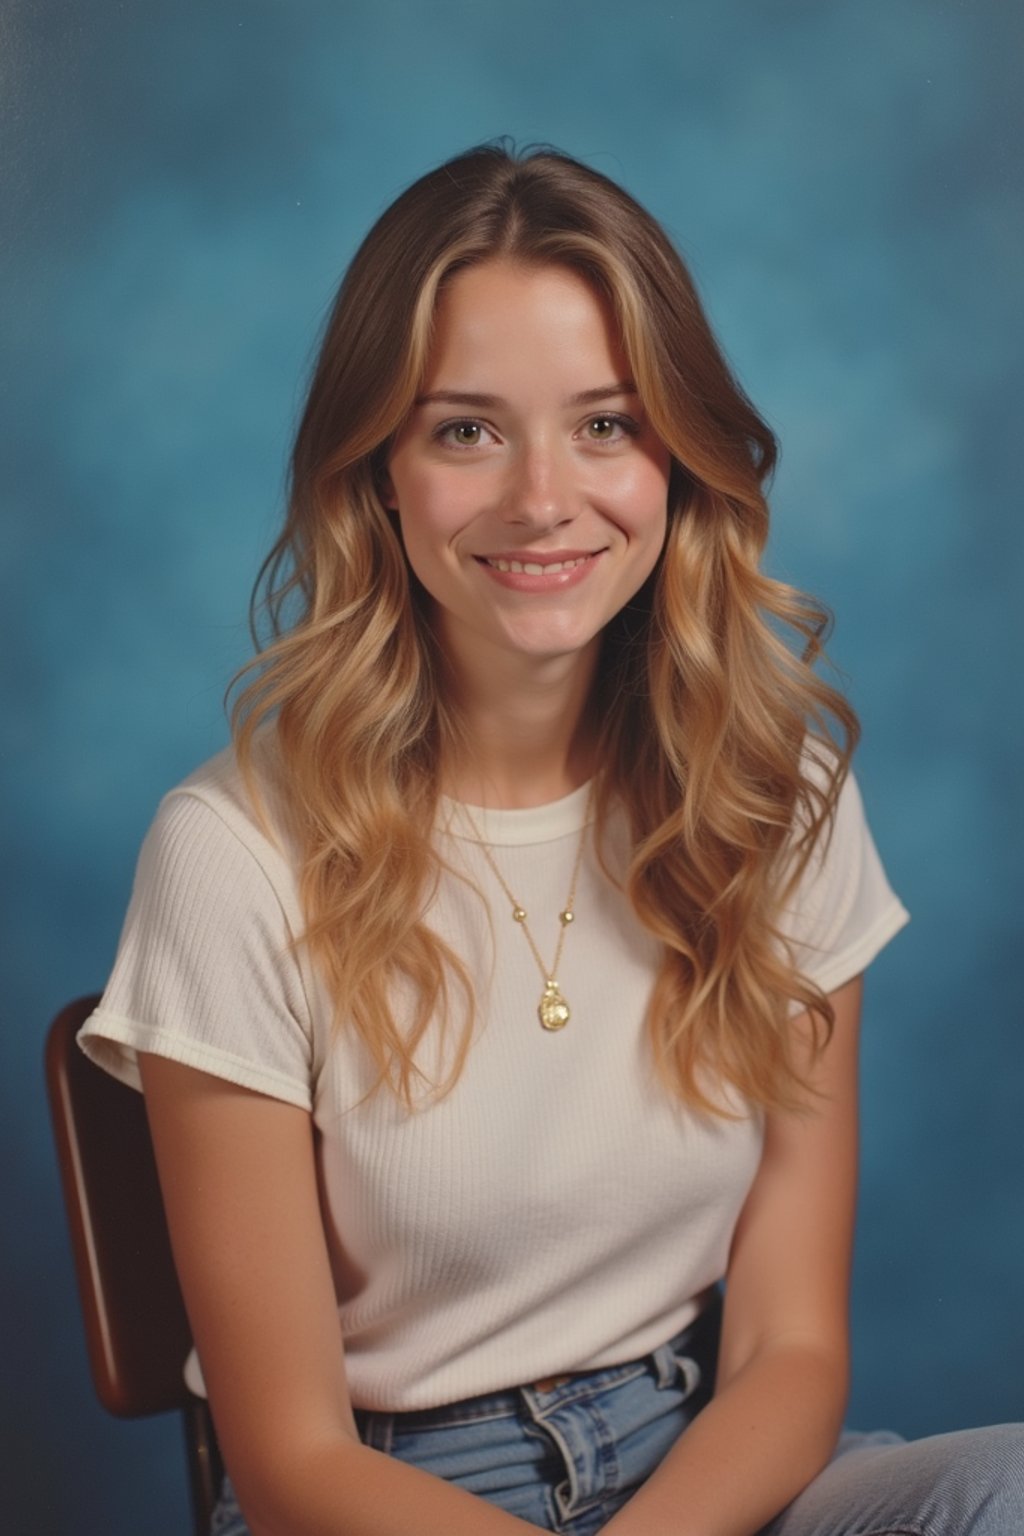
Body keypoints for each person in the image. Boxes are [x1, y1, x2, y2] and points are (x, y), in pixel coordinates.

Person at [79, 144, 1022, 1536]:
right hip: (391, 1497)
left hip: (709, 1474)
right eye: (466, 429)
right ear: (380, 471)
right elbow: (289, 1465)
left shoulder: (776, 798)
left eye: (606, 424)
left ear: (679, 458)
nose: (541, 496)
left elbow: (788, 1350)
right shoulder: (229, 852)